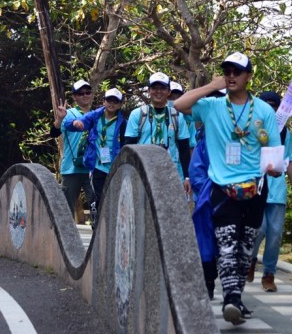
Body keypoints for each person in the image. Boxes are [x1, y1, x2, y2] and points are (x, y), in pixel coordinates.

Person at [173, 52, 282, 326]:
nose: (231, 76)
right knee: (227, 244)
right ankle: (231, 299)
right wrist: (212, 86)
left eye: (237, 71)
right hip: (223, 188)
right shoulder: (211, 106)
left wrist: (274, 168)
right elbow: (179, 104)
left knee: (245, 250)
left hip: (256, 188)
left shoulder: (265, 111)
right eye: (227, 71)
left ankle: (235, 297)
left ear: (248, 76)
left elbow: (274, 154)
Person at [248, 90, 292, 293]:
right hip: (256, 189)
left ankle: (269, 274)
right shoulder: (253, 128)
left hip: (277, 191)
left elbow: (290, 161)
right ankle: (249, 261)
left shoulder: (286, 133)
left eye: (274, 106)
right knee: (258, 231)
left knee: (275, 235)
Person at [64, 87, 127, 227]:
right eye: (109, 100)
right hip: (97, 166)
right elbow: (69, 125)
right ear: (103, 101)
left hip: (114, 167)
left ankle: (108, 225)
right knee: (97, 197)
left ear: (120, 104)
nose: (112, 104)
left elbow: (126, 144)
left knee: (112, 196)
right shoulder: (95, 116)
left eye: (115, 101)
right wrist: (75, 123)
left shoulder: (123, 123)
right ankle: (97, 226)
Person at [123, 72, 191, 183]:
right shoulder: (138, 114)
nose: (158, 91)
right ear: (149, 90)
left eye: (162, 88)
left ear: (168, 91)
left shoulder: (177, 115)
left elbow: (184, 148)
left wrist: (187, 177)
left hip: (171, 171)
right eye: (154, 88)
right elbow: (129, 146)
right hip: (143, 170)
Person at [53, 80, 98, 224]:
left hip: (92, 168)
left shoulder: (96, 115)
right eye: (80, 93)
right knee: (66, 208)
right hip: (71, 168)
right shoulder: (68, 113)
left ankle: (97, 238)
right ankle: (62, 241)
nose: (85, 95)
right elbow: (54, 132)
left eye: (87, 92)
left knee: (96, 204)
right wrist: (59, 119)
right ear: (74, 96)